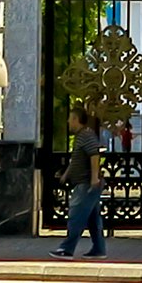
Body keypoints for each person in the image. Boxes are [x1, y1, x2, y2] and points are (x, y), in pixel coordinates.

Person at [56, 107, 107, 259]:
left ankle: (67, 249)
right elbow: (77, 160)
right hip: (84, 182)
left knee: (76, 216)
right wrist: (66, 174)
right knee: (93, 219)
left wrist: (94, 178)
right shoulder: (81, 136)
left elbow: (94, 154)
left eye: (70, 118)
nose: (67, 122)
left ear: (76, 120)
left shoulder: (86, 135)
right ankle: (99, 249)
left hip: (86, 184)